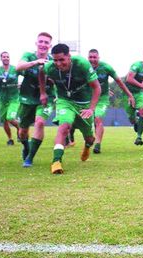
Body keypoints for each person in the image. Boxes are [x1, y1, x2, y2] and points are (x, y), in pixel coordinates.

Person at [43, 43, 101, 174]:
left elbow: (97, 87)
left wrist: (91, 109)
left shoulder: (82, 64)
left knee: (90, 139)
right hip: (65, 101)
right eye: (55, 60)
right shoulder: (50, 67)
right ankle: (56, 161)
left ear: (69, 56)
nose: (58, 63)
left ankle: (87, 147)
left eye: (61, 60)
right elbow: (42, 73)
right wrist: (42, 92)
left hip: (84, 104)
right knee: (64, 127)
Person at [15, 32, 55, 168]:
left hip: (46, 98)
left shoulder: (53, 60)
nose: (43, 44)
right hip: (27, 98)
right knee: (22, 131)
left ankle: (29, 158)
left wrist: (52, 81)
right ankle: (26, 146)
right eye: (41, 41)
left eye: (46, 42)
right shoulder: (28, 56)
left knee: (39, 122)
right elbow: (18, 67)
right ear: (36, 43)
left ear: (50, 45)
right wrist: (35, 62)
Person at [88, 49, 135, 154]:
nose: (92, 59)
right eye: (90, 57)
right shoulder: (84, 67)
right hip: (88, 98)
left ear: (98, 57)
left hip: (102, 98)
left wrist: (129, 95)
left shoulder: (106, 67)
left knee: (98, 117)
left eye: (94, 57)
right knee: (88, 121)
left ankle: (97, 144)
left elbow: (119, 82)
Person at [124, 48, 143, 146]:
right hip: (128, 93)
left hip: (139, 93)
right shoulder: (136, 65)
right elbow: (129, 79)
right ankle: (136, 123)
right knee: (131, 119)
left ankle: (139, 137)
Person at [0, 51, 20, 145]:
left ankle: (21, 129)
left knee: (10, 118)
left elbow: (26, 76)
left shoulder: (15, 69)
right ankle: (10, 139)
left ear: (9, 58)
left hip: (14, 98)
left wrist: (21, 84)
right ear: (1, 58)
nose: (6, 58)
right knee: (4, 121)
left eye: (7, 56)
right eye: (4, 57)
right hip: (3, 99)